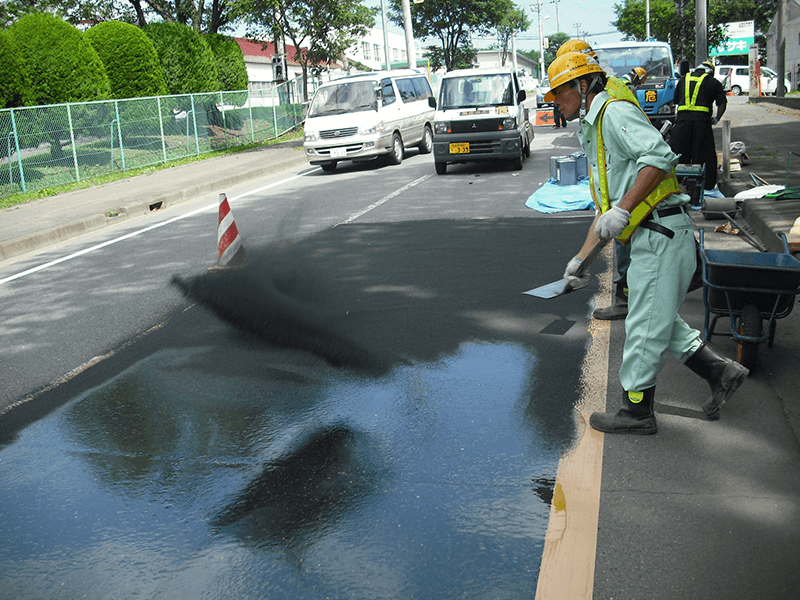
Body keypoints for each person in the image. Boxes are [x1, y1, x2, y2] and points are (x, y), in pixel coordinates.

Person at [543, 51, 748, 435]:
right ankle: (721, 371)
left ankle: (636, 412)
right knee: (656, 319)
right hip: (651, 237)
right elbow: (606, 214)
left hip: (661, 234)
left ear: (582, 86)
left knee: (642, 327)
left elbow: (658, 156)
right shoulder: (594, 126)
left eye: (559, 92)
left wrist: (623, 208)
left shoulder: (614, 114)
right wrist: (579, 262)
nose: (555, 101)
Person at [669, 60, 727, 194]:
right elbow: (722, 104)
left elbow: (676, 101)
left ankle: (678, 185)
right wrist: (717, 118)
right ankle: (705, 186)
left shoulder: (683, 79)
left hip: (683, 122)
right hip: (702, 123)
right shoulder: (713, 82)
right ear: (710, 72)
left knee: (679, 154)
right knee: (703, 154)